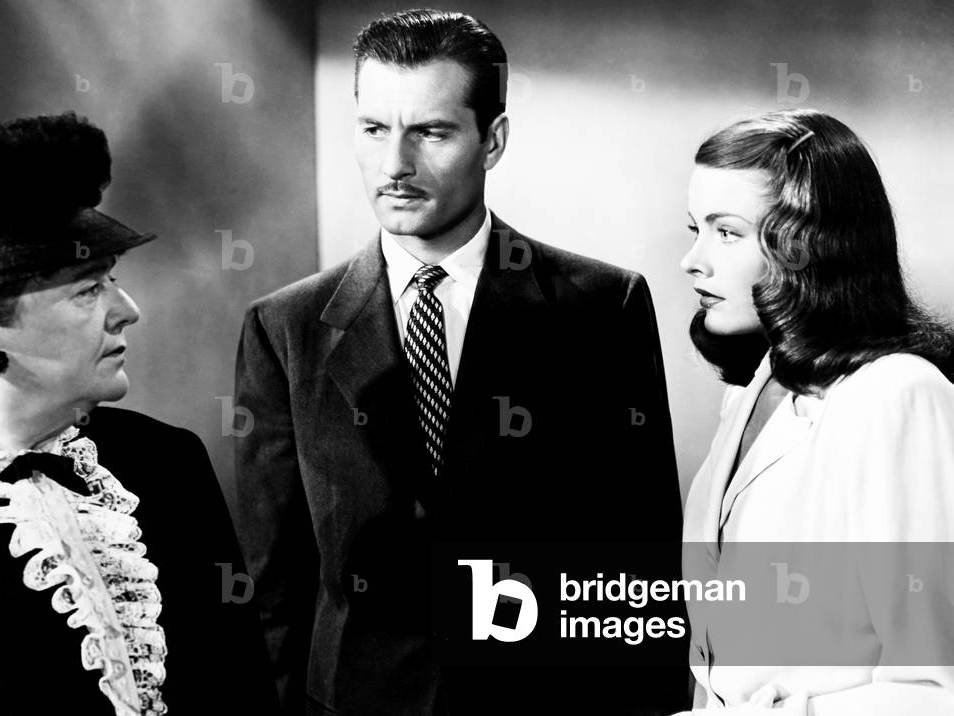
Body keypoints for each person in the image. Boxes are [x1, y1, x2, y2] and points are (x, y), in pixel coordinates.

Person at [236, 8, 685, 715]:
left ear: (492, 140)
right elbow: (274, 581)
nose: (395, 166)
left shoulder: (601, 308)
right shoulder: (284, 327)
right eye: (375, 129)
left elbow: (640, 559)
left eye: (431, 132)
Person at [0, 113, 278, 715]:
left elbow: (242, 690)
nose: (127, 310)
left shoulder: (168, 462)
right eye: (87, 291)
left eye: (111, 281)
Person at [679, 108, 954, 714]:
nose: (692, 261)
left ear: (809, 245)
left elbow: (939, 691)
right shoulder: (752, 391)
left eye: (726, 232)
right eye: (694, 229)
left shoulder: (898, 397)